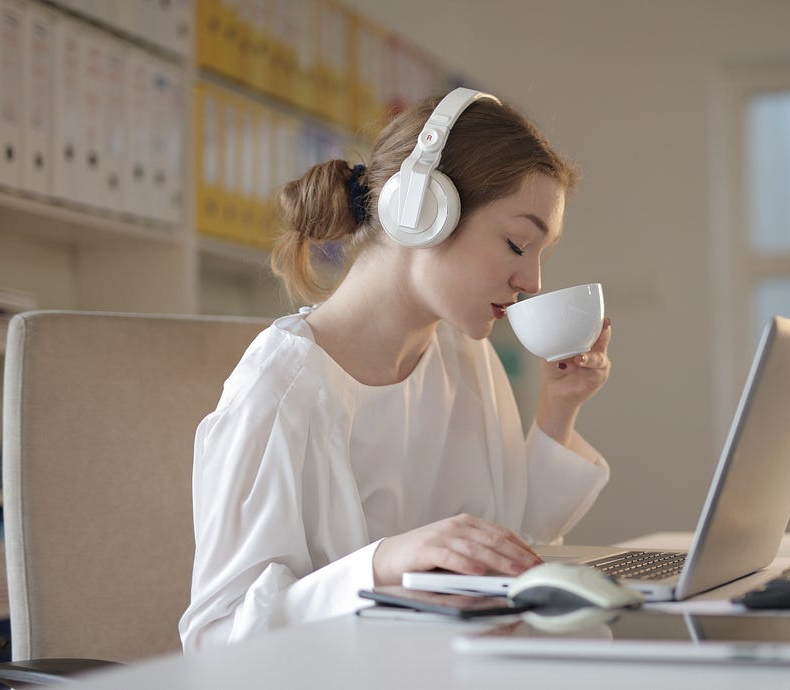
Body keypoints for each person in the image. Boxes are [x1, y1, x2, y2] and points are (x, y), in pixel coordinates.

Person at [179, 88, 613, 651]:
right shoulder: (282, 390)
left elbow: (504, 547)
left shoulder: (465, 355)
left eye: (540, 254)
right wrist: (381, 566)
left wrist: (559, 411)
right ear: (421, 212)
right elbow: (215, 641)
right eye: (516, 243)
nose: (531, 281)